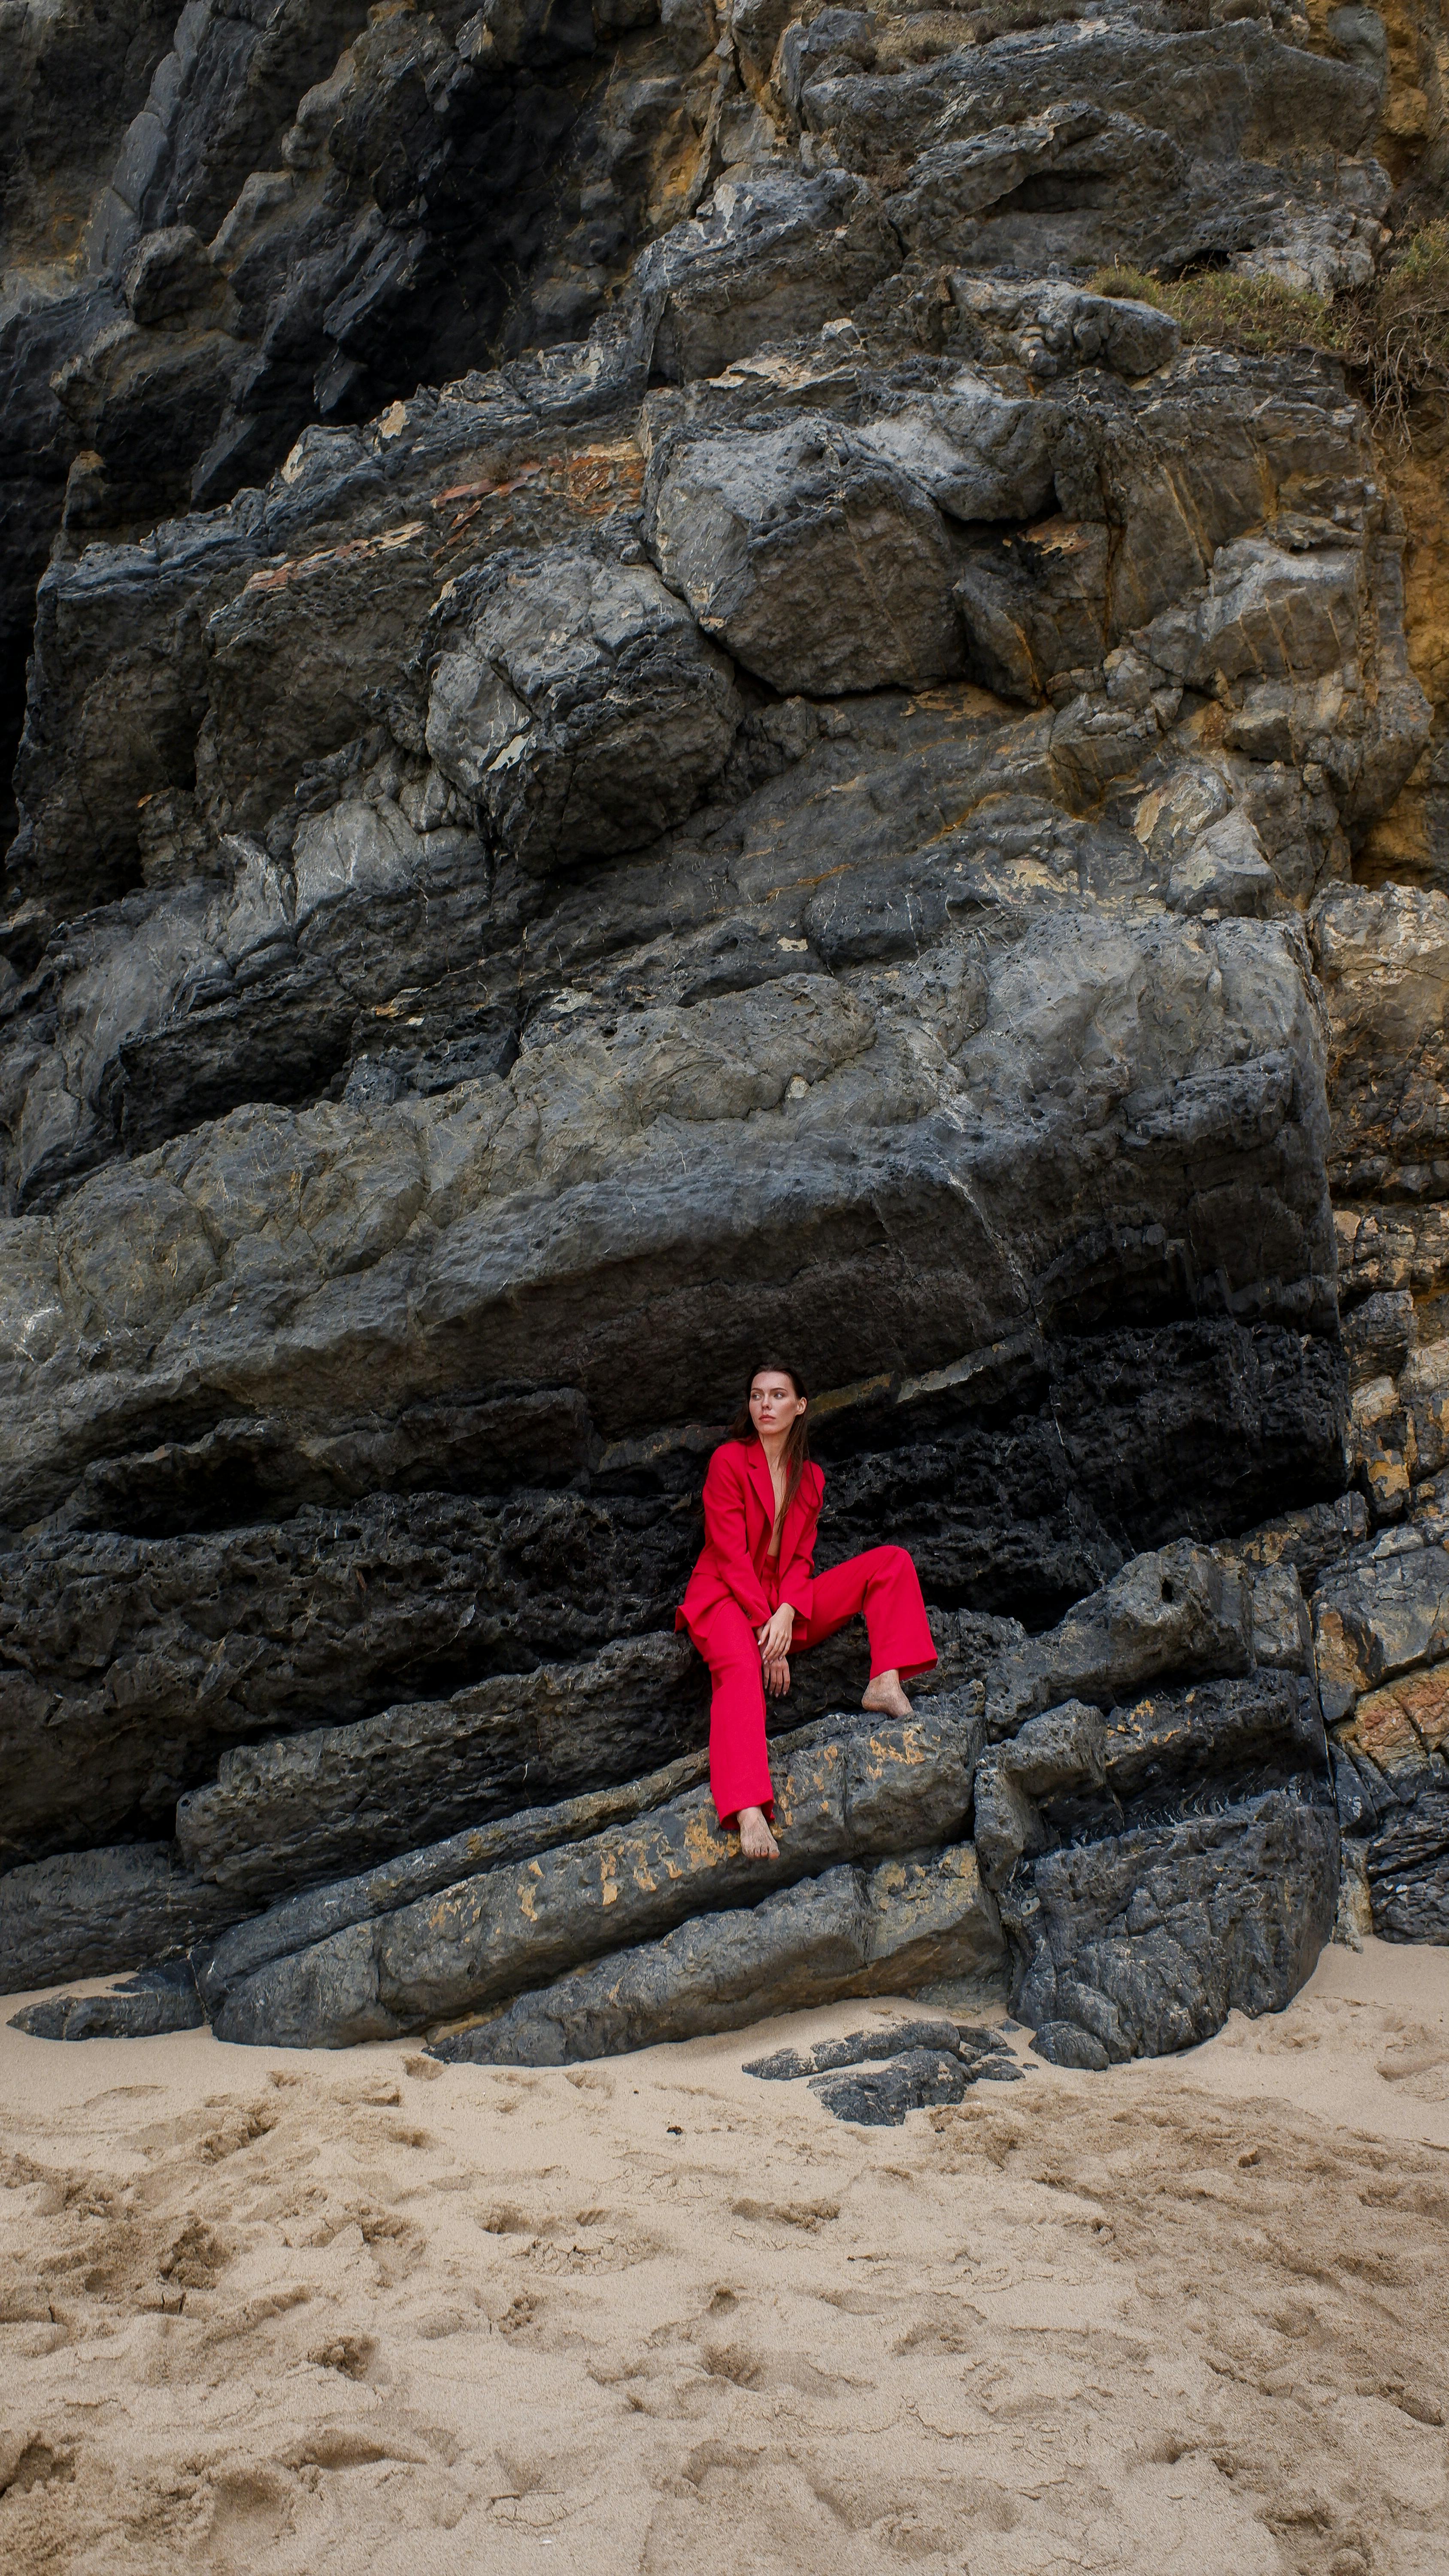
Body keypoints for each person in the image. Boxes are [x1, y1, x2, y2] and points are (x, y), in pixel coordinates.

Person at [676, 1364, 937, 1861]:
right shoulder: (729, 1462)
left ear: (800, 1406)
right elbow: (729, 1556)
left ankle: (884, 1681)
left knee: (890, 1563)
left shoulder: (810, 1478)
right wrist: (765, 1632)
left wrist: (787, 1614)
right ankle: (749, 1809)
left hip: (781, 1607)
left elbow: (800, 1560)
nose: (765, 1406)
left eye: (778, 1396)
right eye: (757, 1396)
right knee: (739, 1668)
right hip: (724, 1600)